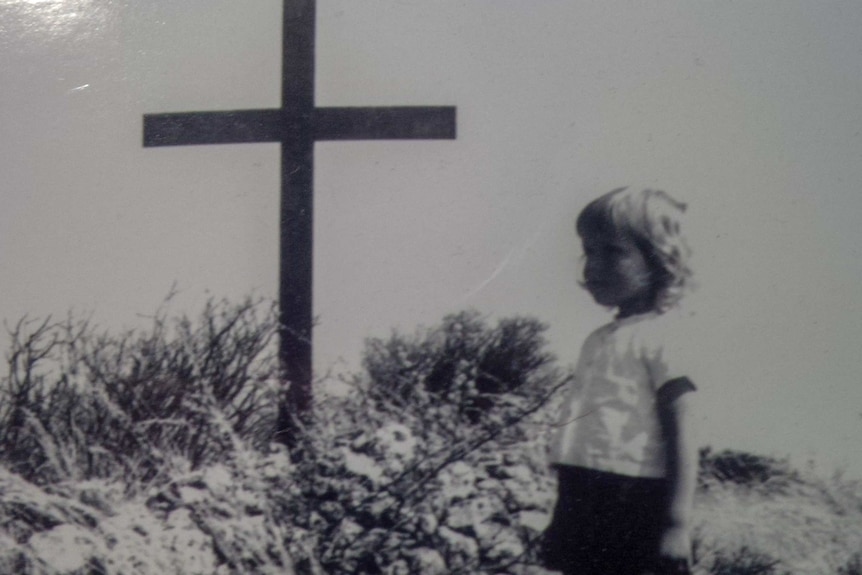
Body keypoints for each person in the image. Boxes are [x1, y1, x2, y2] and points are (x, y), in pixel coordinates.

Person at [541, 187, 699, 575]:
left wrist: (677, 523)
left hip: (633, 495)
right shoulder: (600, 338)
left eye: (613, 252)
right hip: (582, 489)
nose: (593, 265)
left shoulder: (664, 336)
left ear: (660, 262)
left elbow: (684, 429)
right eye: (589, 252)